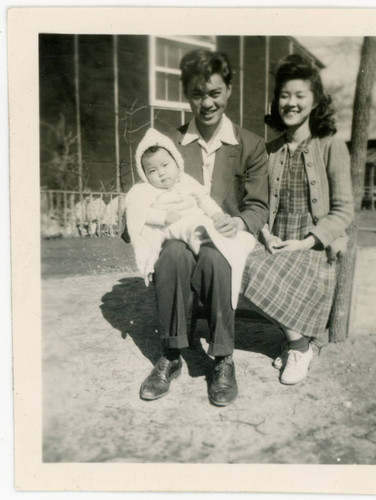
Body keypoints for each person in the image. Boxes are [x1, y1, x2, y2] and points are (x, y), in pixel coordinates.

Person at [138, 49, 269, 406]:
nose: (207, 103)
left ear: (228, 89)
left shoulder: (250, 145)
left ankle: (223, 358)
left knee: (214, 259)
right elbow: (143, 197)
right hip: (179, 232)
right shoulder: (170, 145)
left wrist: (238, 221)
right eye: (197, 94)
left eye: (214, 93)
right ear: (187, 95)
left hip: (226, 235)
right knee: (173, 258)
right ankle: (171, 353)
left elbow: (258, 204)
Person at [242, 54, 354, 385]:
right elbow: (257, 203)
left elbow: (344, 209)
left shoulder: (331, 146)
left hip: (313, 249)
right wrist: (265, 234)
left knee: (253, 270)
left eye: (299, 95)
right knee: (234, 262)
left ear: (315, 100)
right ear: (277, 101)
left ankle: (299, 346)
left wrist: (307, 240)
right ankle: (296, 341)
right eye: (284, 96)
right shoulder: (269, 149)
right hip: (278, 245)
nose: (290, 103)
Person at [125, 127, 255, 308]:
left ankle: (224, 243)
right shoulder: (144, 191)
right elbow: (138, 213)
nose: (161, 173)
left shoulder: (185, 180)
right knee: (190, 231)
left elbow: (203, 198)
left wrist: (216, 214)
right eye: (152, 170)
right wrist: (162, 217)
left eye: (165, 165)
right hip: (172, 228)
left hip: (197, 218)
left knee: (215, 234)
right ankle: (203, 238)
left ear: (176, 162)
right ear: (144, 175)